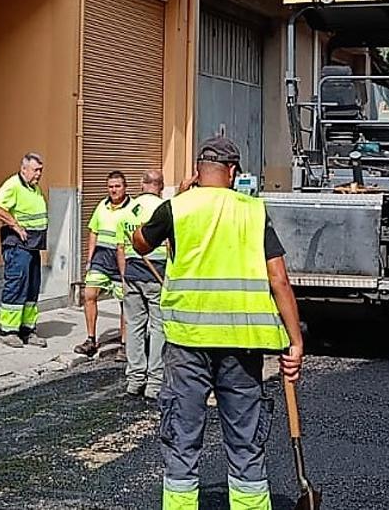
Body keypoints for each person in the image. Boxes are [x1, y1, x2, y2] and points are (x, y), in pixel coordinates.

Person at [133, 136, 304, 510]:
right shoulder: (253, 210)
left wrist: (178, 199)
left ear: (197, 171)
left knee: (182, 435)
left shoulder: (177, 207)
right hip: (242, 347)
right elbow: (279, 279)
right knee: (245, 439)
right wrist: (295, 342)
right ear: (232, 172)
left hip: (186, 343)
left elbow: (140, 243)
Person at [0, 153, 49, 348]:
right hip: (17, 246)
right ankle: (8, 331)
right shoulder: (14, 184)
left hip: (33, 246)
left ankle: (27, 330)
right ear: (24, 169)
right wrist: (14, 225)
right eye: (35, 170)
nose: (39, 174)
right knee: (16, 285)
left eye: (40, 170)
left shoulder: (34, 188)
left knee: (31, 288)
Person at [119, 170, 169, 400]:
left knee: (135, 326)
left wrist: (123, 276)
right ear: (161, 186)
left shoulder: (127, 209)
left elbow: (120, 248)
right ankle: (154, 382)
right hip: (156, 272)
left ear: (141, 184)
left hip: (131, 271)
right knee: (158, 327)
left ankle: (135, 379)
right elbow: (170, 246)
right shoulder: (165, 208)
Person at [74, 171, 129, 359]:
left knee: (125, 303)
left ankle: (125, 344)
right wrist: (89, 259)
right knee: (89, 294)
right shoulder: (102, 206)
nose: (114, 190)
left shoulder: (132, 208)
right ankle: (91, 339)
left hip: (121, 260)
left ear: (125, 187)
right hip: (100, 258)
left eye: (117, 186)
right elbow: (93, 232)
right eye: (111, 186)